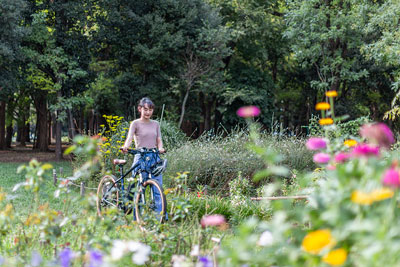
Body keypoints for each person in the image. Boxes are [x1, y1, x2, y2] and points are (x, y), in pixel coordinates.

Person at [121, 97, 166, 220]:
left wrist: (161, 148)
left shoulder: (156, 124)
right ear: (140, 109)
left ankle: (159, 218)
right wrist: (126, 147)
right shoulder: (135, 123)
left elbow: (159, 139)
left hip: (154, 156)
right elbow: (130, 137)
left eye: (150, 110)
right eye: (145, 109)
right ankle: (138, 217)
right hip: (140, 156)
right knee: (138, 188)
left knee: (158, 187)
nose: (148, 112)